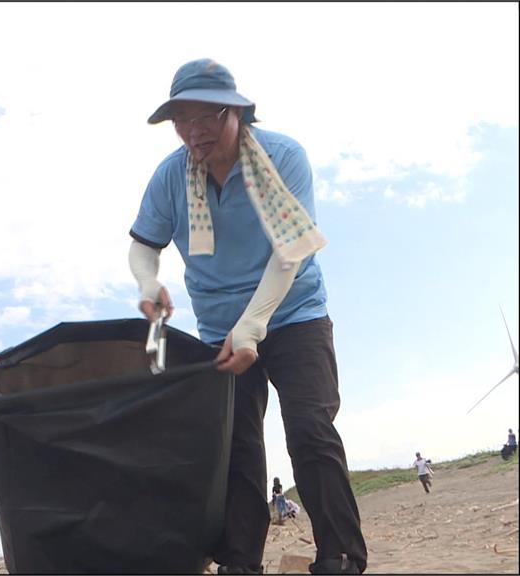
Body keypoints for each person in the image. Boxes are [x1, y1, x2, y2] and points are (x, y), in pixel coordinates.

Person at [128, 58, 367, 575]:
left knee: (310, 428)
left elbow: (291, 253)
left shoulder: (283, 157)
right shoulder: (172, 174)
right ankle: (240, 563)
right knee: (234, 445)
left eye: (207, 117)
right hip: (219, 329)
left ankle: (340, 556)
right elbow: (143, 246)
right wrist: (149, 284)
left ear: (236, 112)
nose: (194, 132)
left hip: (295, 312)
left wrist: (253, 326)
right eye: (181, 120)